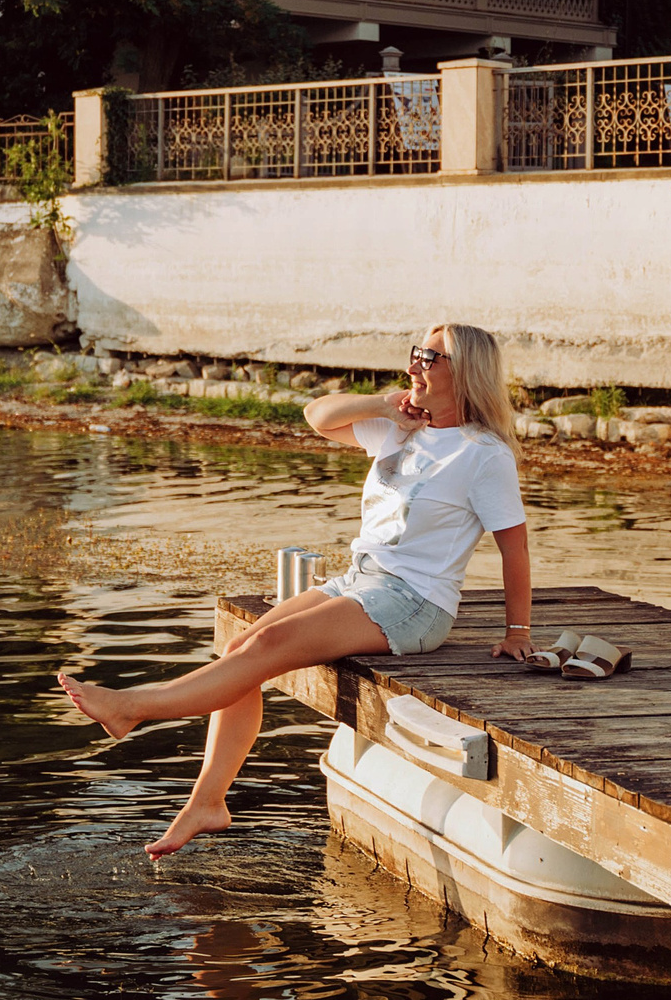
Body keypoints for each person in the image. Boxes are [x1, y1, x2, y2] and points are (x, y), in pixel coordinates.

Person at [58, 322, 533, 857]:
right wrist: (382, 404)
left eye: (432, 357)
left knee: (265, 650)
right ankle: (207, 802)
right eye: (417, 352)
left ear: (465, 371)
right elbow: (316, 416)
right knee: (241, 646)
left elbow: (513, 548)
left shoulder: (483, 454)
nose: (416, 364)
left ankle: (131, 707)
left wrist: (518, 631)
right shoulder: (402, 428)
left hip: (414, 602)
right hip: (362, 578)